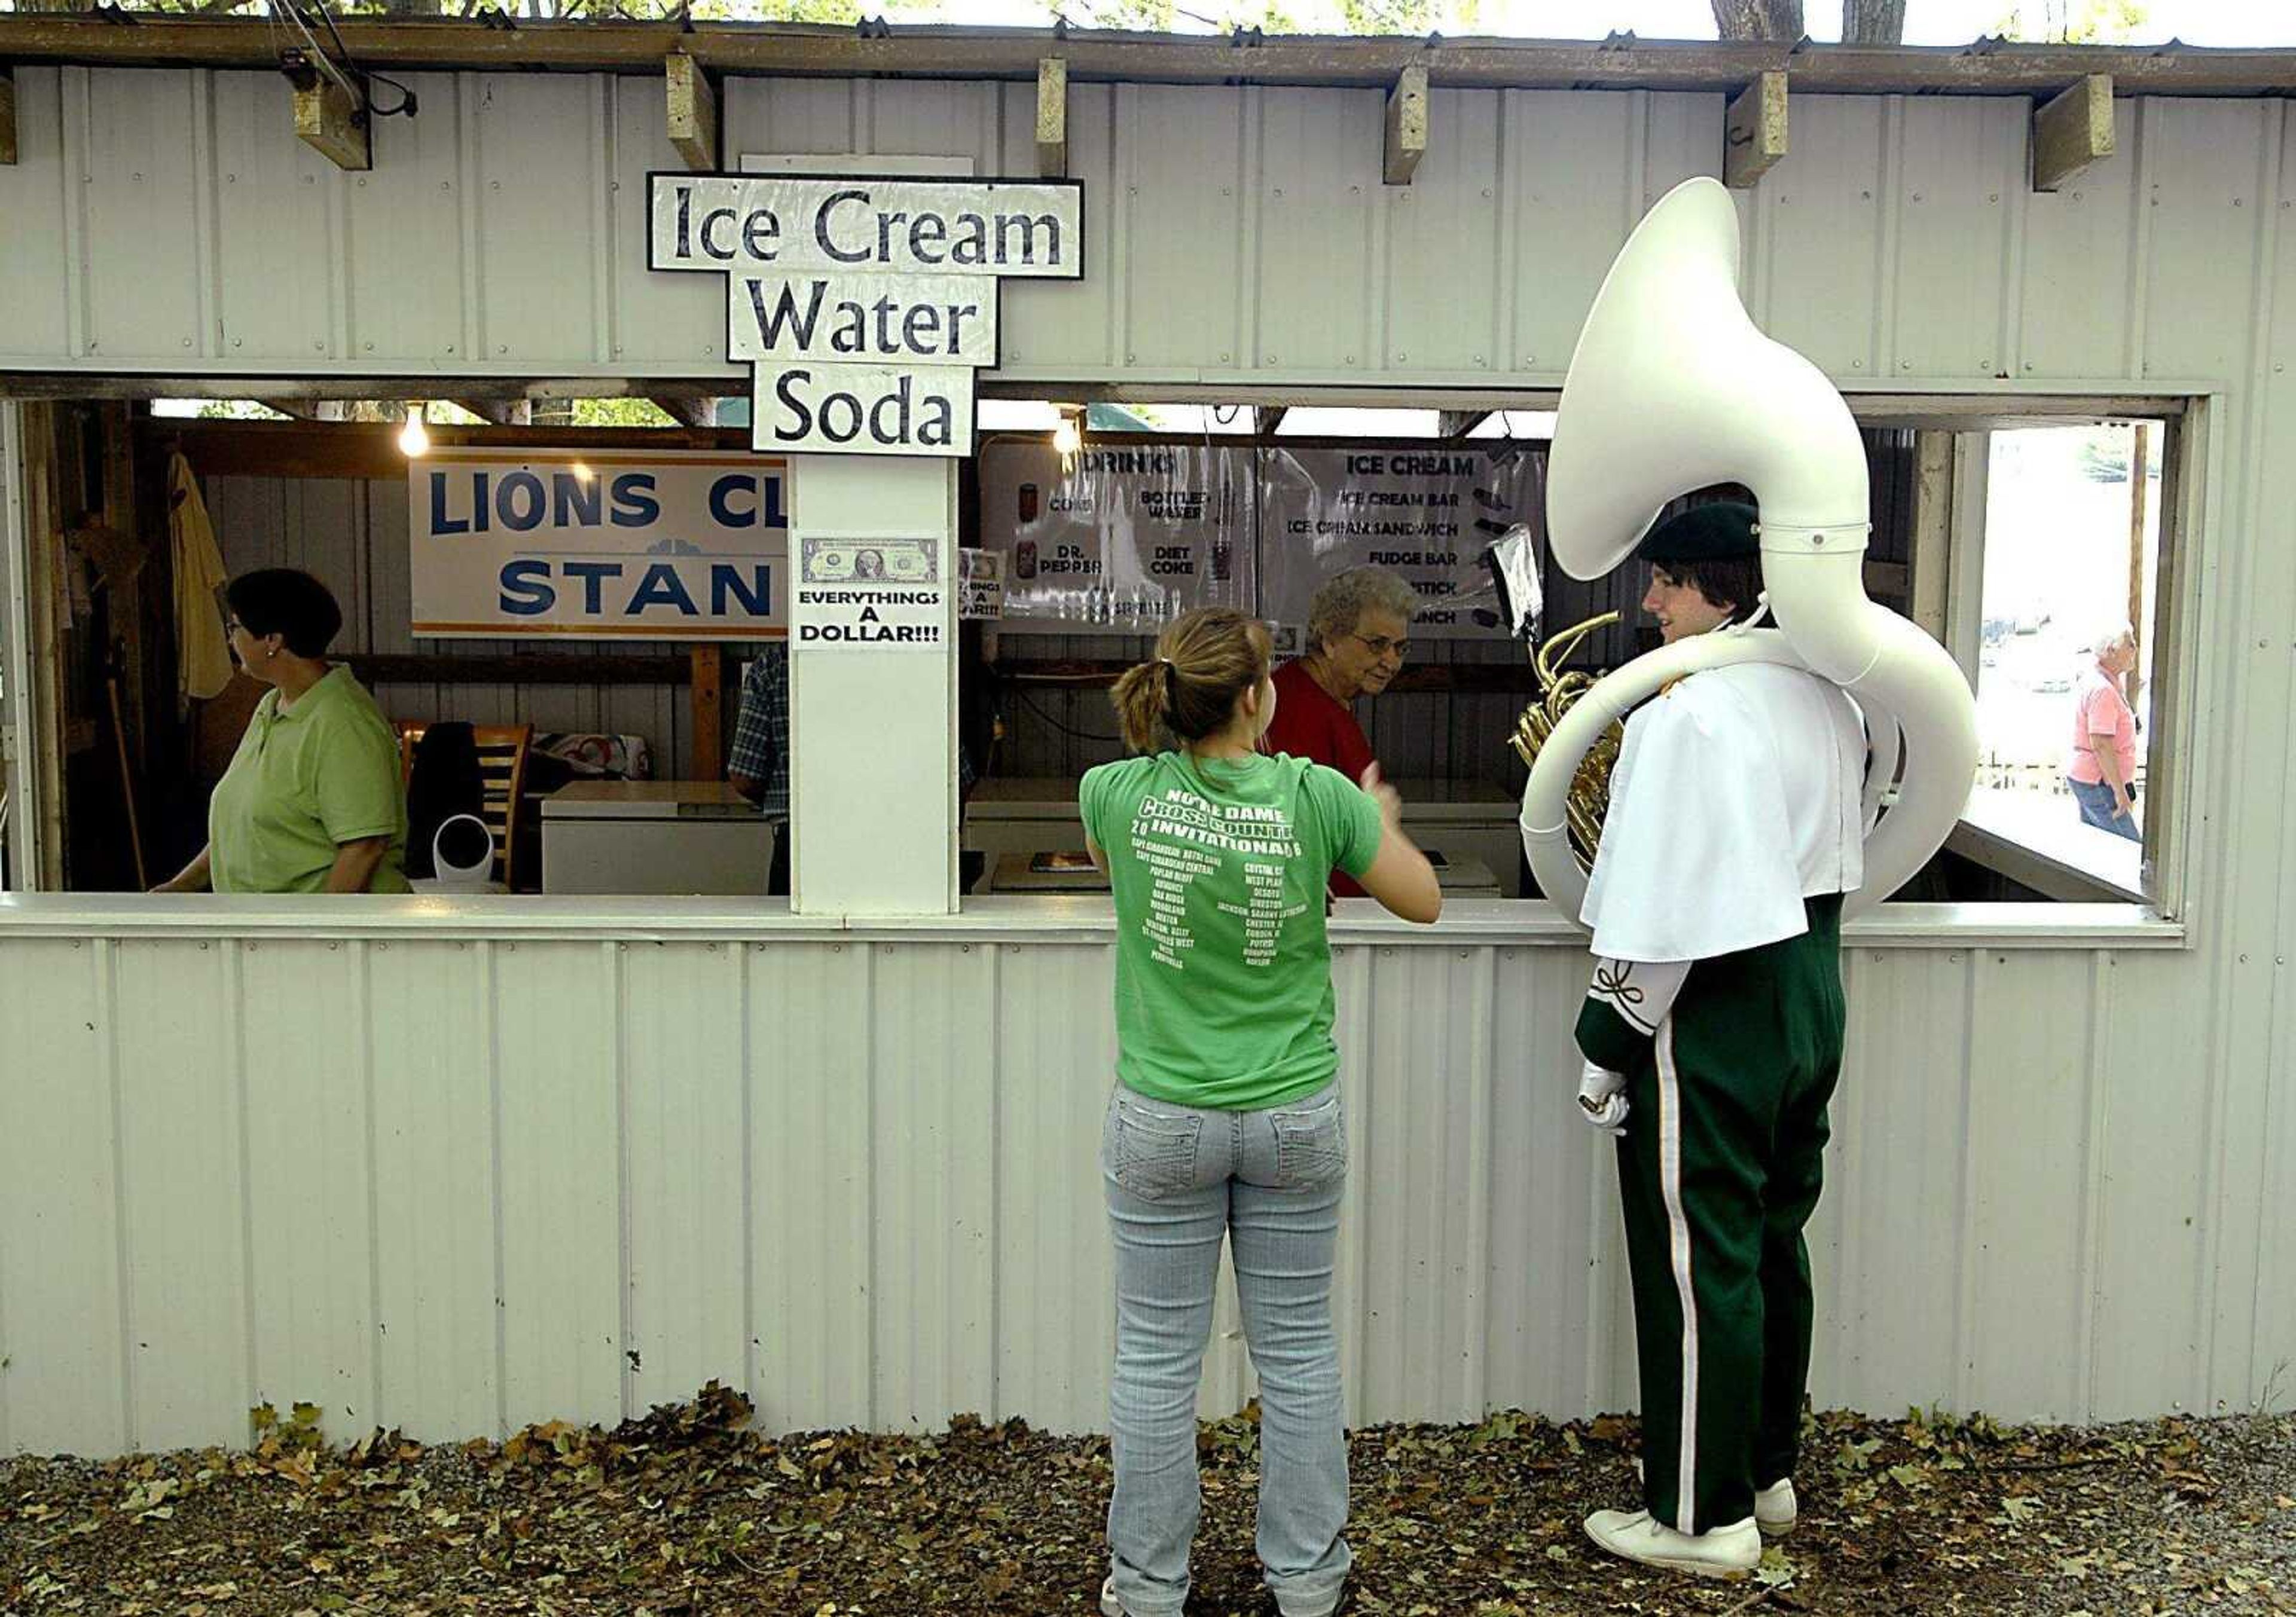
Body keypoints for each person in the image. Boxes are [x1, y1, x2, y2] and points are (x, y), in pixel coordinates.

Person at [1079, 607, 1442, 1617]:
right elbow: (1423, 902)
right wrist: (1386, 818)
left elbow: (1125, 876)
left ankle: (1148, 1589)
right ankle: (1310, 1583)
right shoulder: (1320, 796)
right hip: (1292, 1116)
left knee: (1154, 1360)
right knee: (1298, 1356)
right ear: (1254, 696)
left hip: (1162, 1118)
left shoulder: (1109, 791)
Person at [1567, 502, 1865, 1579]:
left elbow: (1666, 913)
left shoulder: (1687, 716)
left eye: (1669, 583)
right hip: (1810, 989)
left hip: (1720, 1002)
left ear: (1724, 592)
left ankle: (1701, 1517)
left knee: (1697, 1267)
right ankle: (1763, 1474)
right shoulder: (1832, 697)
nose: (1650, 602)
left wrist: (1605, 1038)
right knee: (1774, 1243)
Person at [152, 568, 410, 895]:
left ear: (273, 640)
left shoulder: (343, 722)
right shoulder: (272, 705)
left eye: (235, 627)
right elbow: (239, 821)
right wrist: (181, 887)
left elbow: (364, 846)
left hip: (311, 938)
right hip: (263, 932)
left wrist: (317, 937)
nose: (229, 639)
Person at [1261, 566, 1419, 897]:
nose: (1391, 662)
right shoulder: (1296, 709)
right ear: (1330, 640)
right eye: (1377, 645)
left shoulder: (1324, 698)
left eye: (1400, 648)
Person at [727, 642, 794, 895]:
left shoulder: (775, 664)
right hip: (891, 838)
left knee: (793, 934)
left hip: (798, 840)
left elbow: (744, 777)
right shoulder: (912, 649)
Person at [2067, 620, 2141, 842]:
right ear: (2111, 651)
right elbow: (2100, 743)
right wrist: (2119, 791)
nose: (2134, 649)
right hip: (2099, 782)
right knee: (2128, 848)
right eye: (2130, 644)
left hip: (2090, 779)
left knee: (2096, 847)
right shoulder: (2103, 690)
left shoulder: (2102, 682)